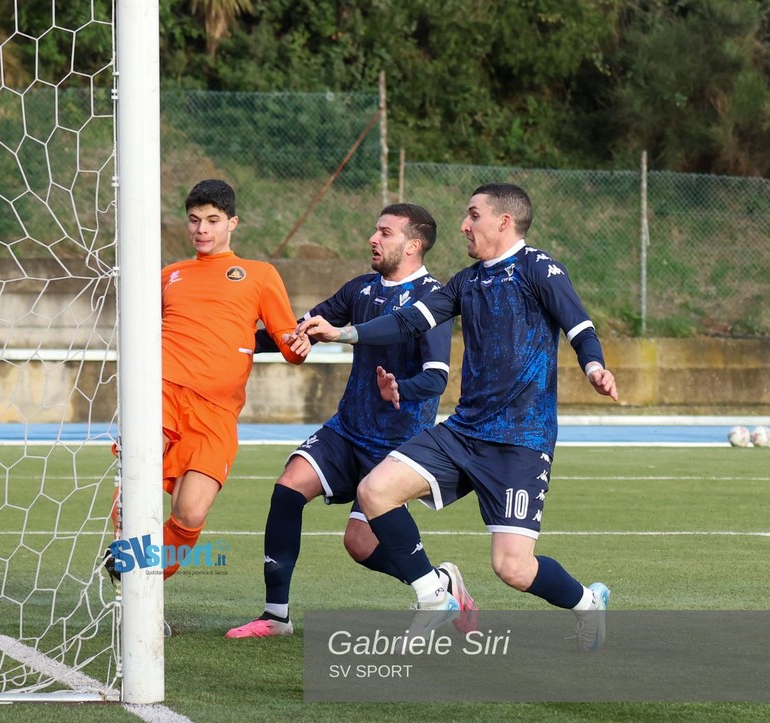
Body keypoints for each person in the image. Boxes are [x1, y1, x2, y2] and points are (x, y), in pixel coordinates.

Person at [301, 183, 618, 651]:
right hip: (463, 431)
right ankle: (433, 595)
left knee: (512, 568)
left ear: (503, 221)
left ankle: (588, 603)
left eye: (473, 215)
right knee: (374, 491)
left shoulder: (538, 268)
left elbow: (580, 326)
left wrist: (594, 366)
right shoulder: (465, 283)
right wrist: (344, 333)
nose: (464, 225)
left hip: (520, 441)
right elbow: (409, 321)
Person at [227, 203, 472, 638]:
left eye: (385, 233)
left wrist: (400, 388)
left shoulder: (432, 298)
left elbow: (436, 377)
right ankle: (275, 616)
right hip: (347, 429)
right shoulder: (359, 289)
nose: (373, 239)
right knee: (287, 489)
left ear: (413, 245)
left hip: (397, 445)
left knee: (359, 545)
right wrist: (229, 341)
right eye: (375, 230)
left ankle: (438, 583)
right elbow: (295, 330)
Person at [110, 179, 310, 600]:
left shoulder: (260, 275)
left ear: (232, 223)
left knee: (189, 512)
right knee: (137, 476)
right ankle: (134, 591)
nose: (202, 229)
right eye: (194, 220)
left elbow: (288, 344)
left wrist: (301, 343)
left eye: (213, 220)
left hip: (217, 411)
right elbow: (137, 330)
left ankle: (135, 581)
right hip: (162, 393)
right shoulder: (168, 275)